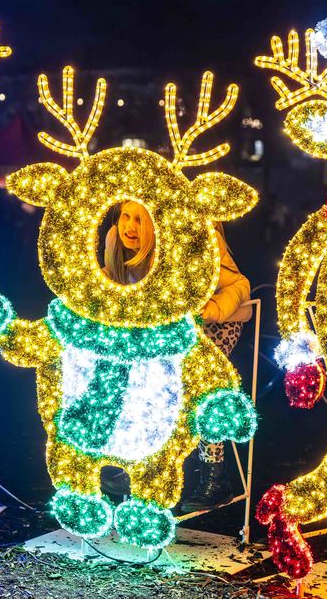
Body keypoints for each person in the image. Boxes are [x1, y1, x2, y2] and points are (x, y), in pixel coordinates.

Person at [100, 200, 252, 511]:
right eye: (126, 217)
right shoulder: (116, 243)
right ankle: (138, 465)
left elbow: (239, 283)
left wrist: (213, 309)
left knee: (192, 383)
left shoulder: (193, 240)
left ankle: (213, 476)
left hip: (213, 326)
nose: (130, 227)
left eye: (140, 220)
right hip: (160, 331)